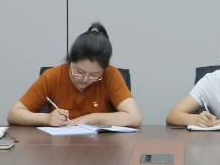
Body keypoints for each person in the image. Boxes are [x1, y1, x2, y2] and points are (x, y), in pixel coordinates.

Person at [8, 22, 142, 127]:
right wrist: (47, 118)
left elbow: (134, 118)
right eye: (79, 71)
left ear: (104, 69)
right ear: (70, 60)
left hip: (103, 149)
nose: (85, 79)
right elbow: (14, 114)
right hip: (60, 149)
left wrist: (89, 118)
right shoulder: (53, 76)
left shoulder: (110, 75)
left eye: (94, 74)